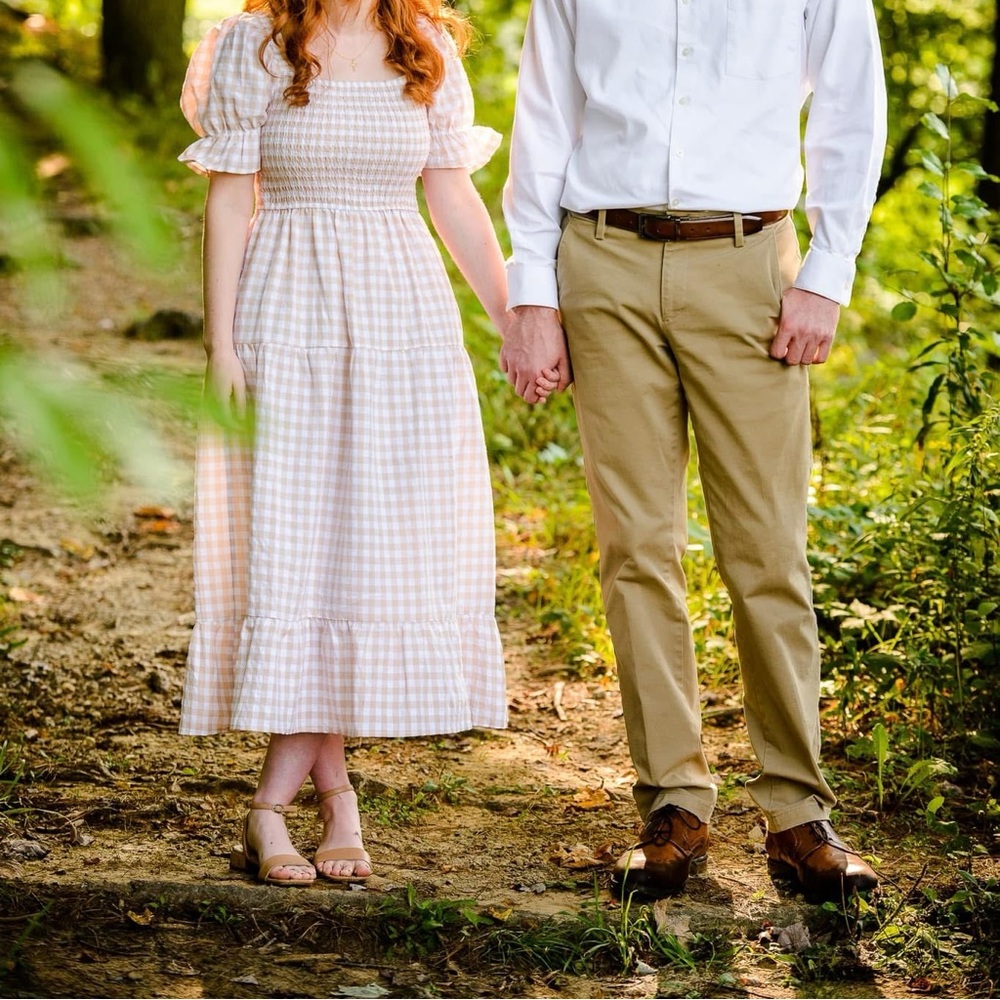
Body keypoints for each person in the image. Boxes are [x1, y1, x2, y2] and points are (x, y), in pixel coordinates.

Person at [502, 0, 887, 901]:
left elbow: (850, 109)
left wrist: (827, 273)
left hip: (749, 262)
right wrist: (532, 294)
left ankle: (797, 814)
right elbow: (544, 119)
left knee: (766, 550)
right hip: (602, 260)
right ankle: (673, 801)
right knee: (636, 546)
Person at [178, 0, 509, 886]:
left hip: (402, 315)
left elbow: (451, 192)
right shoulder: (252, 42)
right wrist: (220, 345)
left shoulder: (427, 43)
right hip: (285, 309)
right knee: (300, 553)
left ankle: (285, 807)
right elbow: (228, 200)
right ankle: (317, 807)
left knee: (372, 556)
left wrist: (515, 321)